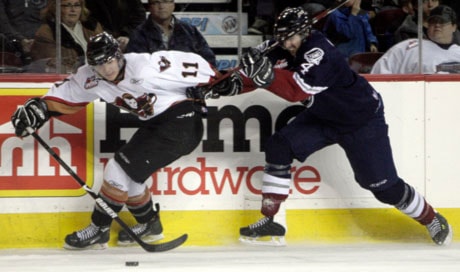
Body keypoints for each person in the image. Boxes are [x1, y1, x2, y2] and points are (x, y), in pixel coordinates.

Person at [207, 7, 453, 246]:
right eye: (281, 38)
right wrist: (231, 83)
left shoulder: (320, 52)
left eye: (290, 38)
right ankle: (270, 220)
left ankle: (432, 219)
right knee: (279, 145)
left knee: (382, 187)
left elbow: (296, 90)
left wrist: (266, 75)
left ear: (304, 32)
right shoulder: (283, 47)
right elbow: (256, 75)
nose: (286, 44)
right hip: (323, 116)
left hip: (361, 120)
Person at [10, 31, 240, 250]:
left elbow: (191, 62)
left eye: (110, 61)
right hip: (158, 123)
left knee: (118, 169)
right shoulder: (92, 77)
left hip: (182, 120)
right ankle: (150, 224)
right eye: (99, 64)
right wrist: (39, 108)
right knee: (132, 175)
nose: (106, 69)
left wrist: (214, 79)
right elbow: (67, 92)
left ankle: (98, 228)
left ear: (119, 56)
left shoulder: (147, 66)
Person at [371, 5, 460, 74]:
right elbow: (381, 71)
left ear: (454, 27)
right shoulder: (408, 47)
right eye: (433, 21)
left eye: (442, 22)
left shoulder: (458, 51)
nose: (437, 25)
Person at [126, 0, 216, 67]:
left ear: (173, 5)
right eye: (156, 2)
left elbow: (208, 60)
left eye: (165, 1)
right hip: (154, 87)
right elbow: (136, 67)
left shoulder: (189, 31)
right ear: (149, 7)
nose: (161, 6)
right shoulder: (139, 33)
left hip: (189, 85)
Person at [29, 0, 103, 73]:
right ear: (56, 9)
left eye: (77, 5)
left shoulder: (93, 27)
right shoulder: (47, 33)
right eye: (67, 5)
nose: (73, 10)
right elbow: (54, 67)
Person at [0, 0, 47, 65]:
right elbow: (3, 22)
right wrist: (21, 40)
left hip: (40, 46)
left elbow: (49, 18)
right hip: (10, 46)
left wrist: (38, 40)